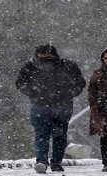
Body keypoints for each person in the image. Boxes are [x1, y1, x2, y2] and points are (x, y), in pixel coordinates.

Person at [15, 44, 86, 173]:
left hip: (60, 105)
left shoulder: (68, 66)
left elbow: (80, 83)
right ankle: (43, 161)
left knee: (56, 135)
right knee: (45, 134)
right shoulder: (30, 66)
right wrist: (34, 93)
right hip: (41, 105)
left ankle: (54, 162)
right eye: (42, 56)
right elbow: (20, 83)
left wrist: (68, 94)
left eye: (47, 56)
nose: (44, 59)